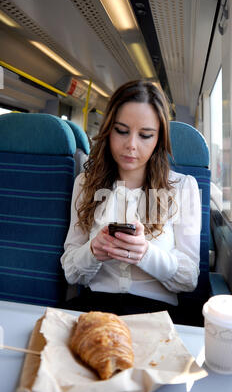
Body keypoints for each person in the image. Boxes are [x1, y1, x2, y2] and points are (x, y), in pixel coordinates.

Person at [60, 80, 201, 322]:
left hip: (157, 314)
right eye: (122, 131)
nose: (131, 145)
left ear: (159, 139)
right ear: (108, 130)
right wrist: (94, 250)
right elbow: (71, 272)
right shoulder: (85, 183)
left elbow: (188, 279)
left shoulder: (183, 187)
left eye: (145, 135)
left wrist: (145, 253)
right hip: (96, 309)